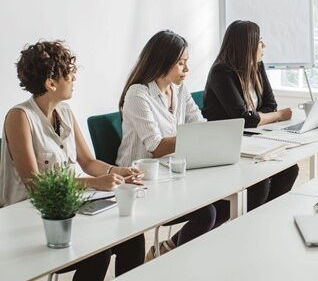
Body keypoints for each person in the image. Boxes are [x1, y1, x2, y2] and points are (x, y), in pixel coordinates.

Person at [0, 41, 144, 280]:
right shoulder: (20, 117)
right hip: (34, 220)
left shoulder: (65, 111)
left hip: (72, 207)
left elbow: (88, 162)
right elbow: (36, 186)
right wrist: (93, 183)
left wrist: (119, 171)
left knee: (133, 237)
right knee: (99, 251)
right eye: (69, 73)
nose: (74, 78)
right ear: (51, 82)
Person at [117, 30, 218, 260]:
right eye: (180, 63)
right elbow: (156, 146)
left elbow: (199, 123)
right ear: (162, 62)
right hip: (141, 181)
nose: (187, 69)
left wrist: (206, 134)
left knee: (224, 203)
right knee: (207, 213)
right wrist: (197, 135)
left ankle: (170, 250)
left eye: (186, 62)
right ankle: (174, 262)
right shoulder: (138, 94)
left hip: (172, 175)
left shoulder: (179, 89)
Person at [203, 20, 298, 212]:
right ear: (246, 45)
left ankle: (265, 219)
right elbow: (246, 119)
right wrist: (279, 115)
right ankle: (247, 228)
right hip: (226, 145)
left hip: (253, 140)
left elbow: (270, 104)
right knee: (259, 184)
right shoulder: (221, 72)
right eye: (260, 41)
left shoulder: (256, 66)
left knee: (290, 169)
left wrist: (261, 116)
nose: (264, 46)